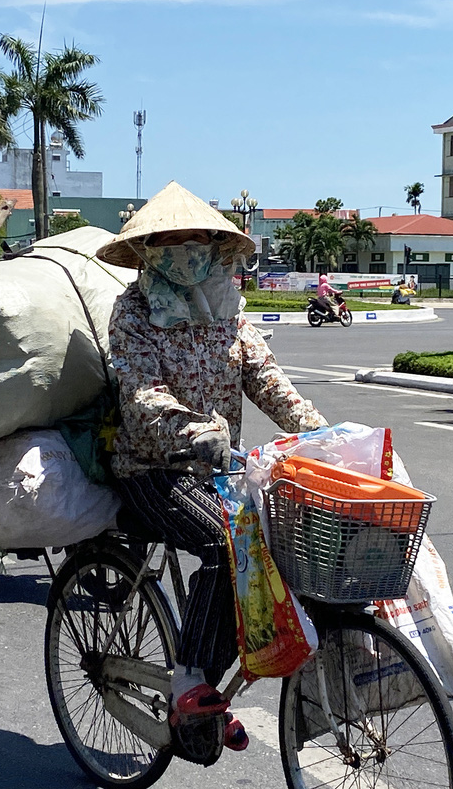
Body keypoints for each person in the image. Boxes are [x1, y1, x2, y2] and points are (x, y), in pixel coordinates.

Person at [96, 181, 328, 749]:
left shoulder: (229, 310)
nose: (185, 249)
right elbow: (139, 391)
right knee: (229, 543)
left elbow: (267, 380)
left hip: (221, 469)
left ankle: (214, 681)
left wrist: (320, 431)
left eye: (195, 239)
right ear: (149, 251)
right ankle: (189, 681)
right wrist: (190, 430)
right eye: (170, 240)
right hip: (152, 468)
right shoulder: (132, 313)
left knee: (280, 544)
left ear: (215, 246)